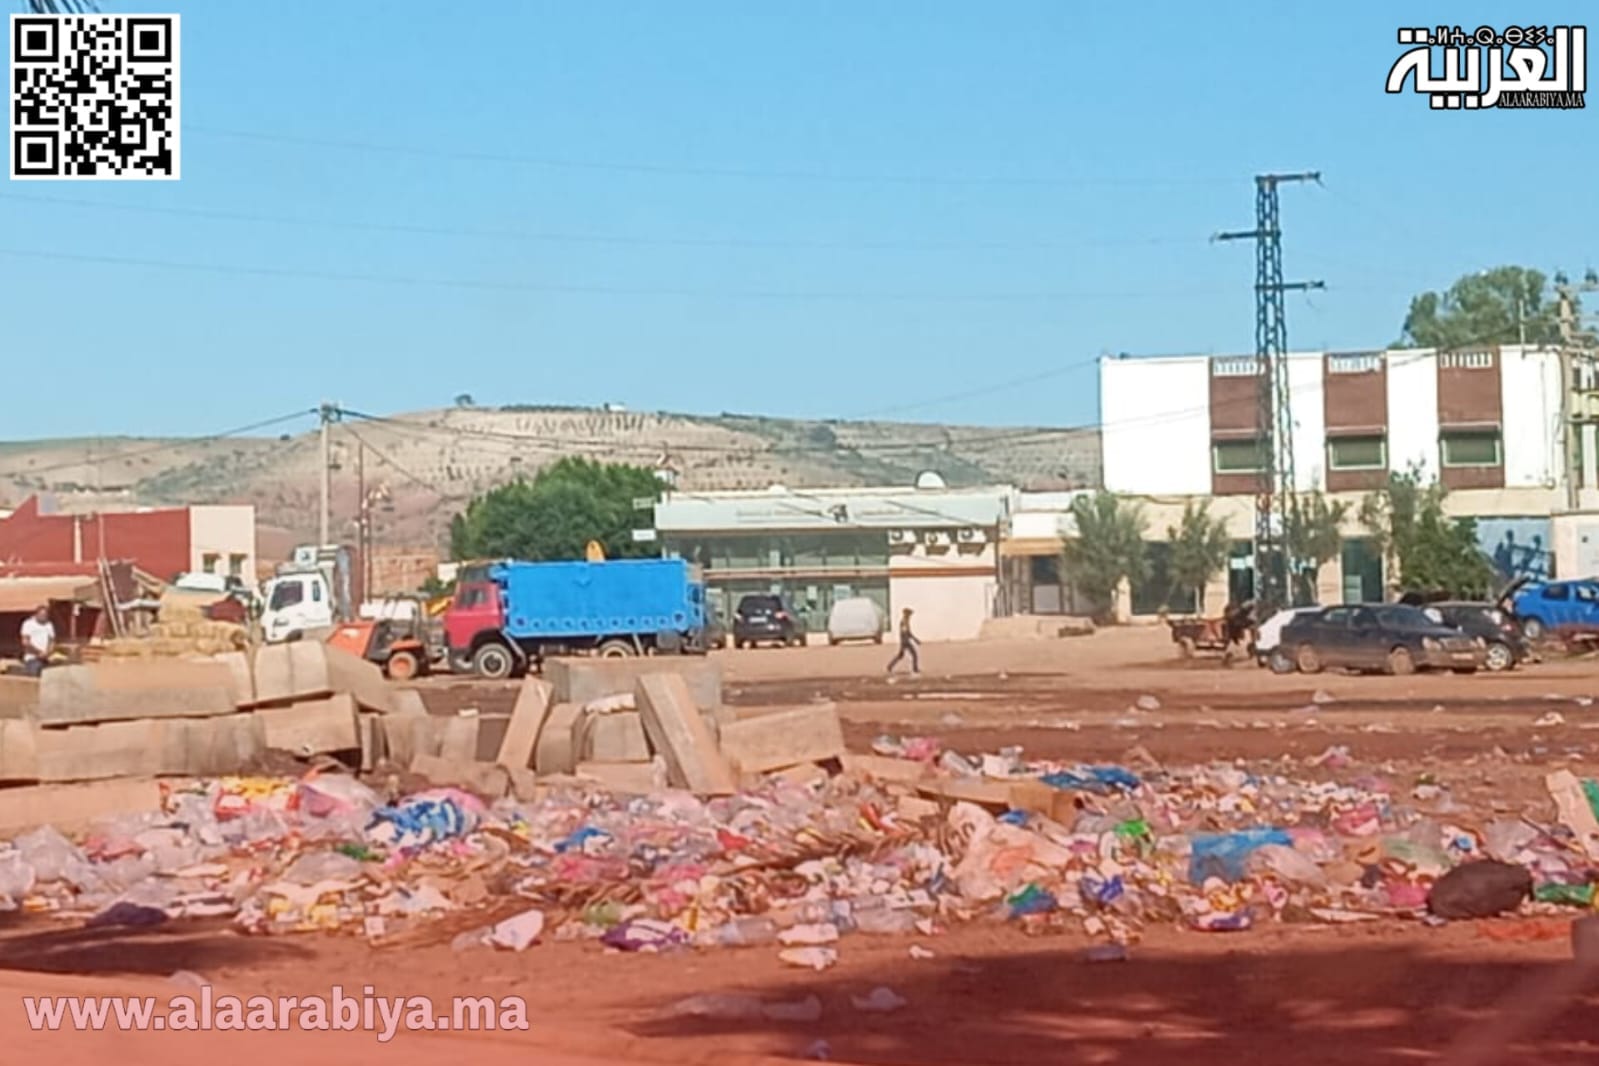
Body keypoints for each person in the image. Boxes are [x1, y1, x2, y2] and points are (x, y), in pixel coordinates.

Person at [20, 605, 55, 678]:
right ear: (36, 614)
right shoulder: (28, 624)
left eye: (45, 615)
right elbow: (25, 642)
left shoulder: (49, 625)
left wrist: (48, 652)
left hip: (46, 659)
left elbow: (51, 641)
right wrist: (39, 652)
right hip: (32, 658)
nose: (44, 617)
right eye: (41, 615)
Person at [887, 607, 920, 675]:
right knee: (914, 654)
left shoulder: (905, 621)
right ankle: (915, 669)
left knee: (900, 655)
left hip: (905, 641)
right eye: (909, 614)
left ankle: (890, 666)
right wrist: (914, 639)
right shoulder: (904, 622)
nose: (910, 616)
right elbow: (905, 633)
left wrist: (914, 639)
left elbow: (907, 632)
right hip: (905, 641)